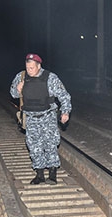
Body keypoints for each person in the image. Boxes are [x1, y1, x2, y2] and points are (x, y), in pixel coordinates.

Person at [10, 53, 71, 185]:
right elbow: (13, 94)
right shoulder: (21, 77)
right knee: (34, 147)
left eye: (32, 68)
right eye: (27, 67)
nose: (29, 70)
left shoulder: (50, 78)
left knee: (50, 145)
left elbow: (64, 95)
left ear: (39, 66)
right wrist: (17, 89)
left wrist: (65, 112)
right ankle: (39, 174)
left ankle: (53, 174)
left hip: (47, 117)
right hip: (31, 118)